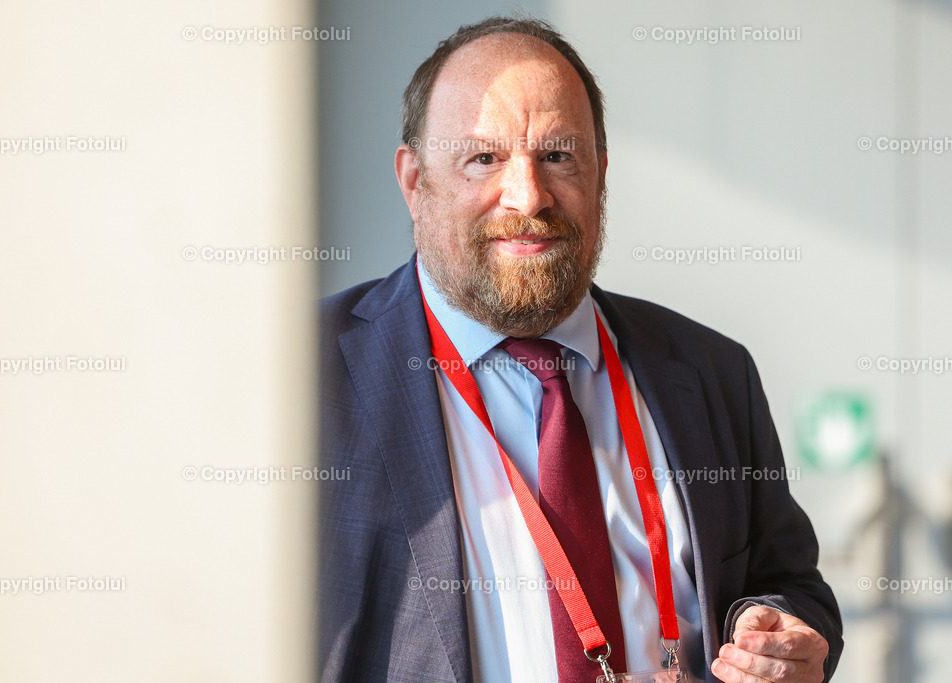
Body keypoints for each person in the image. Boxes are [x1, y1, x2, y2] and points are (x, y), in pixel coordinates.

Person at [317, 15, 842, 683]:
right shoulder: (303, 375)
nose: (528, 195)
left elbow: (789, 583)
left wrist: (782, 638)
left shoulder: (711, 371)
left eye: (558, 155)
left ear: (600, 173)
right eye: (483, 158)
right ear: (415, 180)